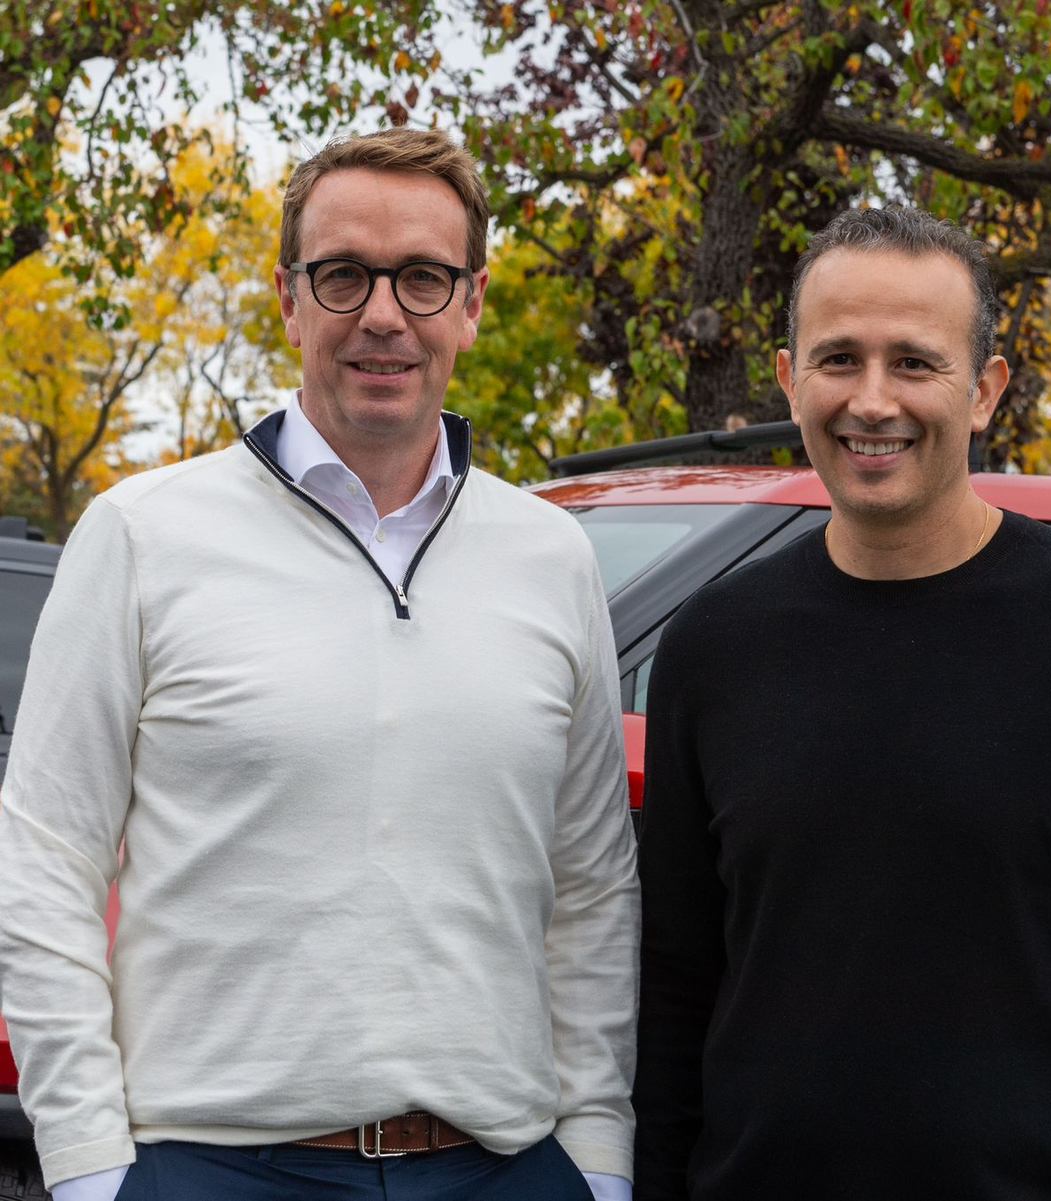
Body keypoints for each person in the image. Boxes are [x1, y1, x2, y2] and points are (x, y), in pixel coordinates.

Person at [0, 128, 639, 1201]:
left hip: (504, 1170)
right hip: (208, 1167)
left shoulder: (550, 555)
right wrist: (89, 1169)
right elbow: (44, 862)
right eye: (344, 275)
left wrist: (600, 1159)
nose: (383, 314)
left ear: (472, 302)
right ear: (291, 299)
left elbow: (590, 892)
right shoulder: (143, 535)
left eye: (423, 278)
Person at [631, 207, 1051, 1200]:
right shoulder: (712, 650)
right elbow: (676, 991)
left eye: (915, 362)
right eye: (839, 358)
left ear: (984, 389)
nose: (873, 399)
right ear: (788, 378)